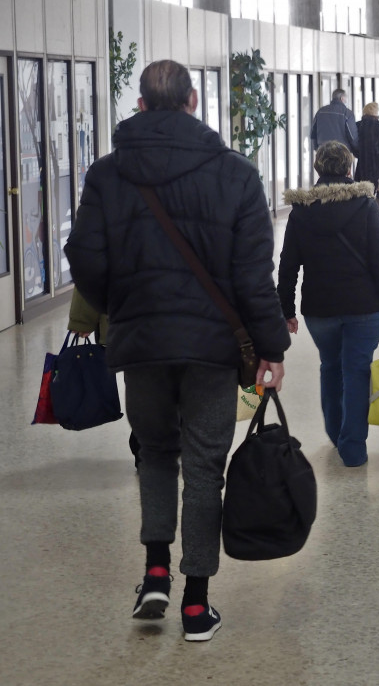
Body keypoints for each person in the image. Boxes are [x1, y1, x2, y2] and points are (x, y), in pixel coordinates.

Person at [65, 59, 289, 641]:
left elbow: (83, 257)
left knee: (156, 454)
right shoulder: (236, 174)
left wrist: (123, 301)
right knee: (205, 465)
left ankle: (155, 573)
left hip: (141, 345)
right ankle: (196, 605)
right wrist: (270, 348)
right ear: (194, 101)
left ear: (139, 104)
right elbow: (252, 278)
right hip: (213, 349)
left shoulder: (107, 174)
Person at [277, 141, 379, 468]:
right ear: (349, 169)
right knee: (357, 371)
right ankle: (353, 448)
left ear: (318, 169)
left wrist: (286, 309)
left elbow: (288, 264)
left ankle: (336, 434)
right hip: (365, 309)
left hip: (319, 311)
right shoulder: (365, 206)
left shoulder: (301, 211)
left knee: (330, 367)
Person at [67, 289, 141, 468]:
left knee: (142, 387)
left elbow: (93, 266)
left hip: (132, 317)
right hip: (189, 317)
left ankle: (145, 446)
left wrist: (83, 319)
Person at [354, 102, 379, 209]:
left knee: (363, 192)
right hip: (377, 166)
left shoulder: (358, 126)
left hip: (362, 165)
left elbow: (354, 145)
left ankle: (365, 213)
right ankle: (375, 214)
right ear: (376, 112)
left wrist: (359, 154)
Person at [311, 88, 358, 157]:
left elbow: (313, 132)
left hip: (323, 150)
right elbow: (352, 136)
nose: (346, 101)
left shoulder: (320, 111)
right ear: (342, 98)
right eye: (345, 99)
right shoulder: (347, 113)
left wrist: (316, 148)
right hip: (341, 151)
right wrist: (356, 150)